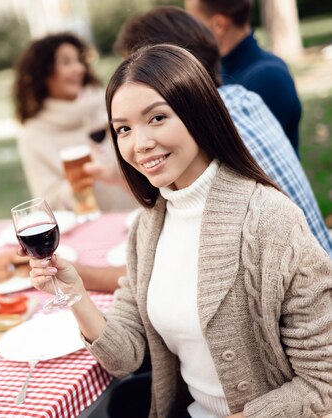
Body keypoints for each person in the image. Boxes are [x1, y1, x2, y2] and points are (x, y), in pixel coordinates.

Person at [27, 45, 332, 417]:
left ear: (197, 112)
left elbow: (324, 383)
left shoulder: (271, 220)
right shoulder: (148, 226)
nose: (139, 144)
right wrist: (75, 294)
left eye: (157, 118)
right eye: (123, 128)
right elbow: (124, 358)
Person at [89, 6, 331, 261]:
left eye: (146, 67)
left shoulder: (212, 131)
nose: (133, 82)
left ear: (176, 68)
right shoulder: (244, 97)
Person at [13, 32, 137, 213]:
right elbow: (46, 202)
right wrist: (78, 183)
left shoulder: (106, 105)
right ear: (44, 73)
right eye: (66, 62)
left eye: (79, 61)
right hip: (90, 230)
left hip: (139, 215)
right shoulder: (34, 134)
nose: (79, 69)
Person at [184, 0, 302, 156]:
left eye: (192, 20)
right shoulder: (221, 69)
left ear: (219, 25)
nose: (186, 29)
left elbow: (247, 158)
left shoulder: (267, 78)